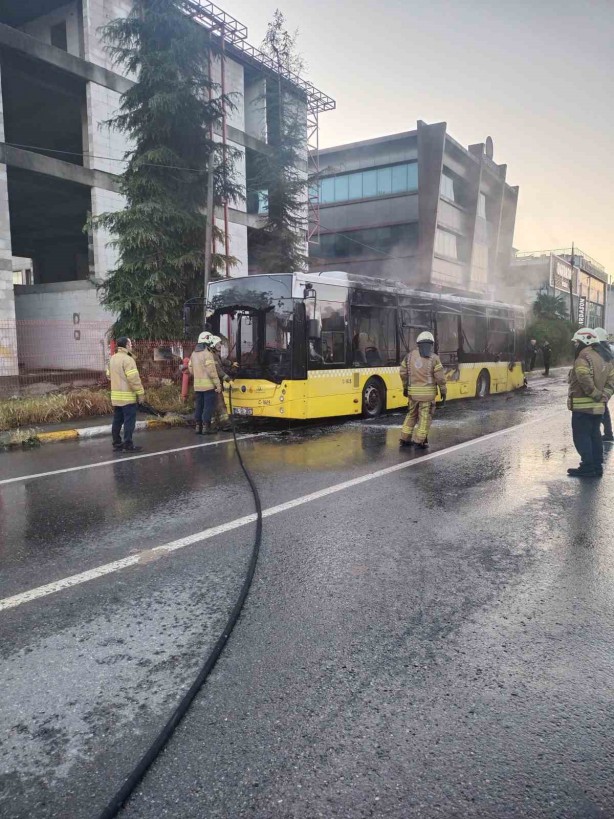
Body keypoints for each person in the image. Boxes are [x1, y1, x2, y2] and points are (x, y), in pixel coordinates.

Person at [567, 327, 614, 478]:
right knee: (595, 435)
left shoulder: (583, 357)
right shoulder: (604, 357)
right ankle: (596, 466)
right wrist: (604, 396)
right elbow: (611, 381)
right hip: (598, 407)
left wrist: (595, 394)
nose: (575, 345)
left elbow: (583, 378)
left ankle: (587, 466)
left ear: (585, 341)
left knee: (582, 437)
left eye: (577, 342)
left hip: (583, 408)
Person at [399, 331, 447, 449]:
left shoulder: (409, 357)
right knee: (424, 418)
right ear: (431, 344)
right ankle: (419, 441)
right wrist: (443, 391)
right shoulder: (434, 358)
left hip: (413, 395)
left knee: (411, 415)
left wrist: (405, 388)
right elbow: (440, 378)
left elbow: (403, 373)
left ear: (418, 343)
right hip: (427, 396)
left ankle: (404, 438)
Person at [108, 337, 145, 453]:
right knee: (129, 421)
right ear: (126, 346)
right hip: (127, 397)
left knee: (117, 420)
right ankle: (128, 444)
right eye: (130, 344)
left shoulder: (112, 359)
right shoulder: (128, 360)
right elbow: (133, 379)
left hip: (116, 396)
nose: (132, 346)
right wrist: (140, 393)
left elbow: (109, 375)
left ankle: (117, 443)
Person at [188, 331, 222, 434]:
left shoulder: (193, 354)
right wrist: (218, 384)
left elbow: (190, 368)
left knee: (199, 406)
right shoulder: (207, 354)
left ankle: (198, 427)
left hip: (197, 386)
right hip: (208, 386)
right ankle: (206, 428)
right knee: (208, 407)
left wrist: (198, 375)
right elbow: (212, 371)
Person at [208, 335, 233, 432]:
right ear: (213, 344)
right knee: (219, 404)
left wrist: (230, 363)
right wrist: (228, 379)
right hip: (214, 384)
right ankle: (225, 424)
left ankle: (214, 424)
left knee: (215, 404)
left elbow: (222, 360)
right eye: (218, 343)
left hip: (215, 384)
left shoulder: (215, 354)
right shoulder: (212, 355)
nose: (220, 345)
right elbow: (218, 370)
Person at [593, 328, 614, 442]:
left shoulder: (597, 351)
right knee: (603, 409)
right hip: (608, 385)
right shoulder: (608, 350)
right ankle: (608, 433)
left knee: (600, 410)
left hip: (601, 385)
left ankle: (606, 434)